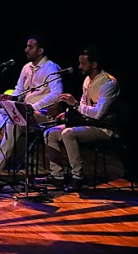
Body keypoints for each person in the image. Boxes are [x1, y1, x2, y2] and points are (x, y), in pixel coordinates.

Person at [0, 35, 62, 179]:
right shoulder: (26, 68)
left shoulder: (51, 68)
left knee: (13, 121)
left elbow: (57, 94)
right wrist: (10, 98)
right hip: (21, 110)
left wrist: (34, 106)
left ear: (40, 50)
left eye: (30, 47)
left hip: (40, 114)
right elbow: (19, 91)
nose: (26, 50)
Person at [43, 46, 120, 189]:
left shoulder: (109, 84)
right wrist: (67, 114)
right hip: (89, 123)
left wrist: (75, 104)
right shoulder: (87, 81)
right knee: (50, 133)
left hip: (104, 128)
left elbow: (98, 114)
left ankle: (78, 177)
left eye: (83, 63)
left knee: (68, 133)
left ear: (94, 64)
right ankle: (57, 175)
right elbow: (83, 108)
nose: (79, 67)